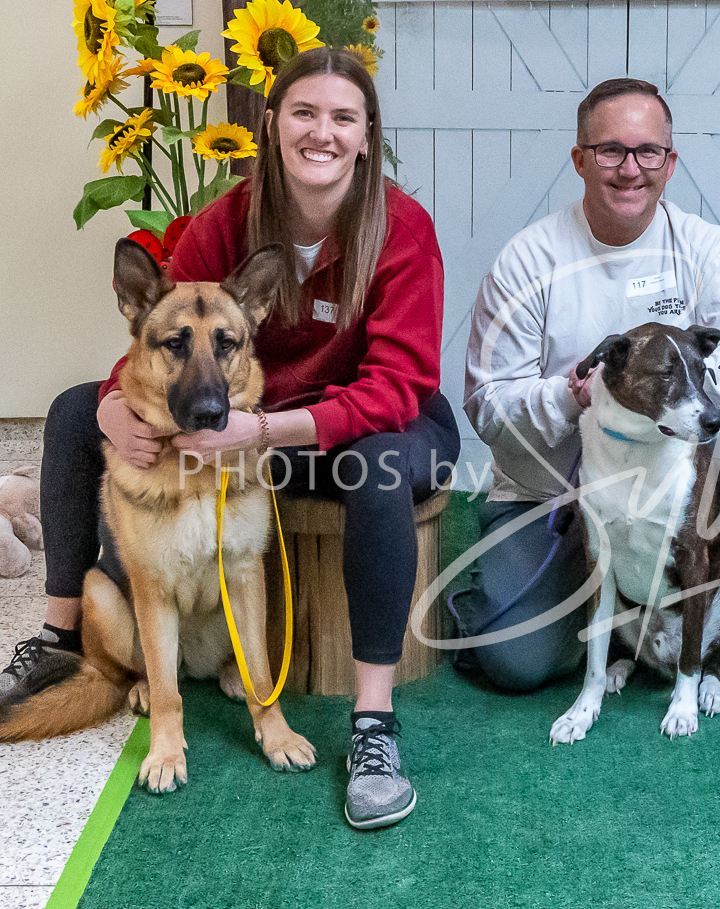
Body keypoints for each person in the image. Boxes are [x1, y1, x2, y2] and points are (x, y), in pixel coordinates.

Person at [0, 48, 459, 830]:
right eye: (304, 112)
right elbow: (162, 330)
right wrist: (113, 406)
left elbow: (397, 386)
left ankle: (374, 723)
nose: (322, 132)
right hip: (246, 426)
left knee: (380, 466)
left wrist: (263, 430)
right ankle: (59, 633)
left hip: (366, 425)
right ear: (273, 124)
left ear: (366, 134)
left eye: (343, 117)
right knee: (75, 409)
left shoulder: (401, 229)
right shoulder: (227, 221)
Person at [458, 77, 720, 692]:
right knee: (517, 663)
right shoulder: (528, 260)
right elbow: (486, 406)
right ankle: (520, 600)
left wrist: (670, 390)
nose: (630, 169)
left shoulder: (702, 246)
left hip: (669, 481)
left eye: (648, 152)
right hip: (554, 494)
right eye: (611, 150)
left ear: (671, 162)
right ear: (580, 159)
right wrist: (572, 396)